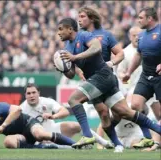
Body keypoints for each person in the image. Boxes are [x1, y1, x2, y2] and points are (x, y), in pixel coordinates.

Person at [56, 17, 161, 151]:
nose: (58, 33)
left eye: (60, 29)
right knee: (124, 112)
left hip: (102, 75)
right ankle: (119, 144)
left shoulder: (84, 35)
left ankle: (87, 135)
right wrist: (63, 68)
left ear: (70, 29)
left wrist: (75, 57)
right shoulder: (67, 47)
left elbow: (97, 47)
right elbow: (71, 74)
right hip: (97, 79)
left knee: (73, 99)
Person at [77, 6, 125, 151]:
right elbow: (74, 59)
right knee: (103, 113)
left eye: (82, 16)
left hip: (108, 78)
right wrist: (79, 71)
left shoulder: (106, 35)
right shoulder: (78, 37)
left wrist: (112, 62)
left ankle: (104, 137)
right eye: (78, 16)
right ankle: (115, 144)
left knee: (118, 113)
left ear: (92, 18)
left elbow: (120, 54)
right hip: (92, 82)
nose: (79, 19)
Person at [20, 82, 113, 148]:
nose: (31, 95)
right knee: (47, 145)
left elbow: (65, 111)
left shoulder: (46, 101)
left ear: (38, 93)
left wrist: (53, 116)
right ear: (25, 95)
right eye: (28, 93)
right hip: (37, 138)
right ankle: (75, 147)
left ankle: (105, 143)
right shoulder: (22, 109)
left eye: (33, 92)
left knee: (76, 126)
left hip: (53, 130)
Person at [122, 7, 161, 147]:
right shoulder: (142, 35)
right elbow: (138, 55)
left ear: (149, 19)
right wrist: (129, 72)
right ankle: (147, 137)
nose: (138, 20)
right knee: (136, 105)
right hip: (146, 76)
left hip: (160, 77)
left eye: (140, 18)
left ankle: (157, 139)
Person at [0, 99, 76, 149]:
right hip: (20, 135)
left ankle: (75, 145)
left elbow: (17, 110)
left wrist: (3, 126)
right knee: (9, 142)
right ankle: (43, 147)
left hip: (29, 124)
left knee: (40, 135)